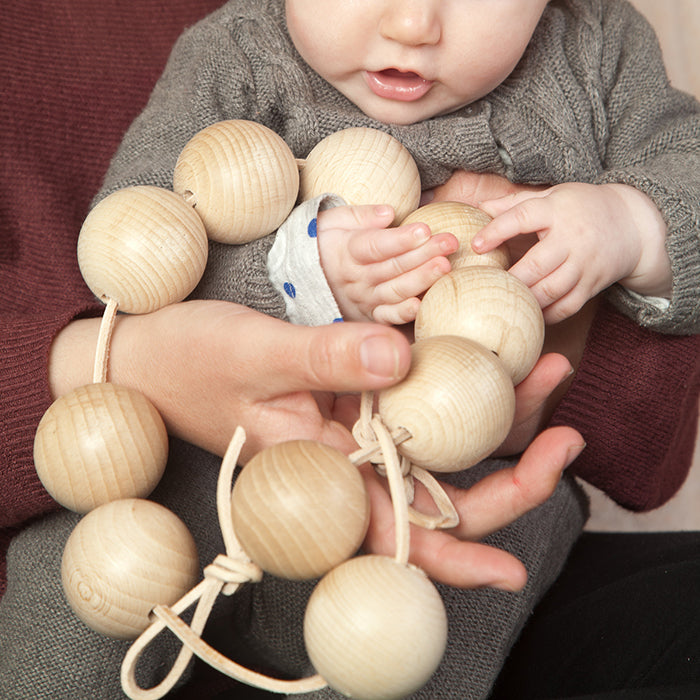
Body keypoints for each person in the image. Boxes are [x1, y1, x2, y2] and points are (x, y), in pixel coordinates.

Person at [0, 1, 698, 699]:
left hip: (446, 486)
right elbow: (130, 245)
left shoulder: (599, 48)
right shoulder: (235, 52)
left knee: (415, 649)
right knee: (72, 605)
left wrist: (633, 226)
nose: (413, 24)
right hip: (202, 461)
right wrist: (294, 274)